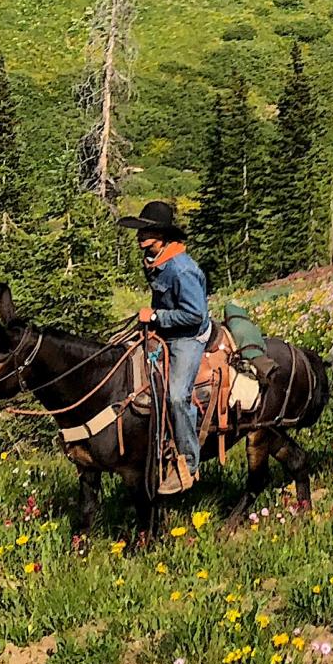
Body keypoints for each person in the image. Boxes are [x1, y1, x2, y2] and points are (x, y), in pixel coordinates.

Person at [117, 200, 210, 494]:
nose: (139, 237)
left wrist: (156, 316)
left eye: (146, 232)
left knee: (176, 397)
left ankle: (189, 463)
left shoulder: (182, 269)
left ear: (162, 236)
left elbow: (196, 314)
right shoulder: (155, 260)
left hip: (188, 337)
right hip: (164, 331)